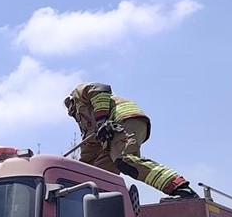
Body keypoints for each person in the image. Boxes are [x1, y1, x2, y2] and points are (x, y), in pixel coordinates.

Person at [64, 82, 198, 199]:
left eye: (71, 110)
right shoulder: (87, 130)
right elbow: (88, 160)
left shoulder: (79, 95)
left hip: (123, 119)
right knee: (100, 174)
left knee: (125, 160)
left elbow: (100, 88)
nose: (72, 115)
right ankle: (103, 205)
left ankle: (179, 187)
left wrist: (102, 121)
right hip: (114, 132)